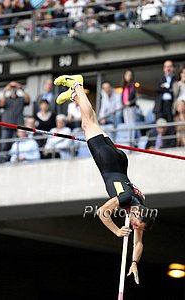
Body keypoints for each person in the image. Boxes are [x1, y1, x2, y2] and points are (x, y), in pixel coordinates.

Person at [54, 74, 158, 284]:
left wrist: (135, 263)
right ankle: (77, 84)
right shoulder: (127, 199)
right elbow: (102, 212)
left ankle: (75, 95)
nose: (136, 227)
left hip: (119, 161)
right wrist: (117, 231)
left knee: (91, 122)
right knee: (87, 123)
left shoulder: (139, 205)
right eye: (138, 225)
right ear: (139, 218)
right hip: (108, 161)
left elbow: (138, 244)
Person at [0, 81, 30, 162]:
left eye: (14, 87)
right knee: (4, 145)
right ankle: (3, 162)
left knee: (16, 145)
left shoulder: (21, 99)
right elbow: (1, 103)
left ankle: (13, 161)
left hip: (17, 125)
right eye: (12, 87)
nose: (13, 89)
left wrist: (21, 88)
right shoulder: (6, 99)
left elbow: (28, 100)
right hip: (6, 125)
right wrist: (4, 90)